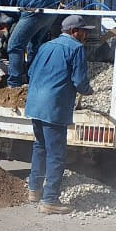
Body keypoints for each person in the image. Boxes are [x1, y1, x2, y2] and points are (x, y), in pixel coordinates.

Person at [24, 15, 95, 215]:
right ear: (74, 32)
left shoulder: (46, 46)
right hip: (53, 106)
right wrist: (89, 91)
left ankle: (34, 190)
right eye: (83, 31)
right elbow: (80, 82)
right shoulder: (76, 49)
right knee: (56, 154)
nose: (86, 34)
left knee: (40, 147)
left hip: (35, 103)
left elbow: (30, 73)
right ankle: (50, 200)